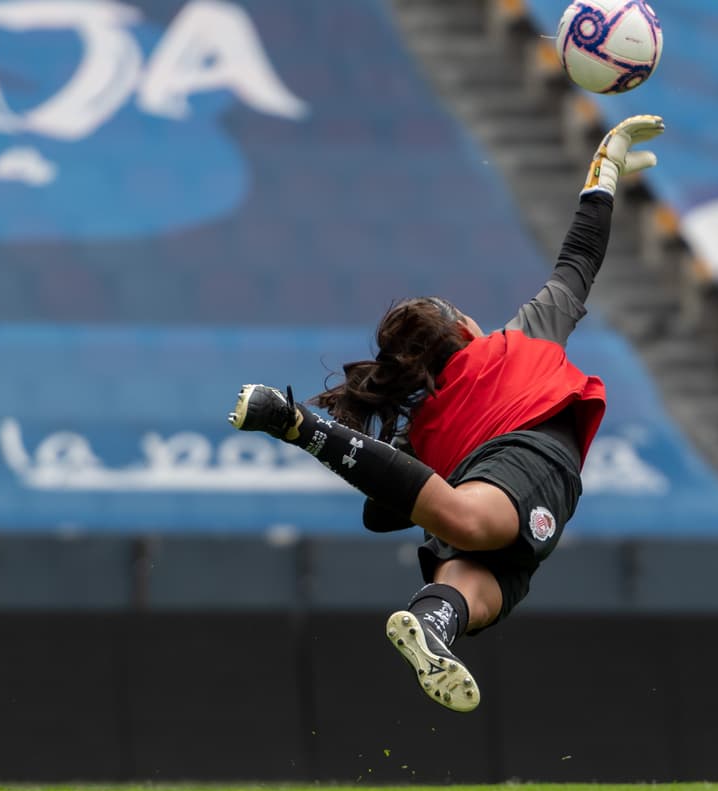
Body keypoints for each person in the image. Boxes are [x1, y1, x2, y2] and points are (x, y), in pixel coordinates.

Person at [227, 114, 665, 712]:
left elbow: (379, 515)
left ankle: (432, 625)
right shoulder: (519, 339)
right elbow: (580, 256)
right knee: (467, 521)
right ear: (463, 327)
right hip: (529, 457)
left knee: (474, 590)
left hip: (493, 493)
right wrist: (603, 175)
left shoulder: (423, 429)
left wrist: (415, 455)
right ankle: (295, 422)